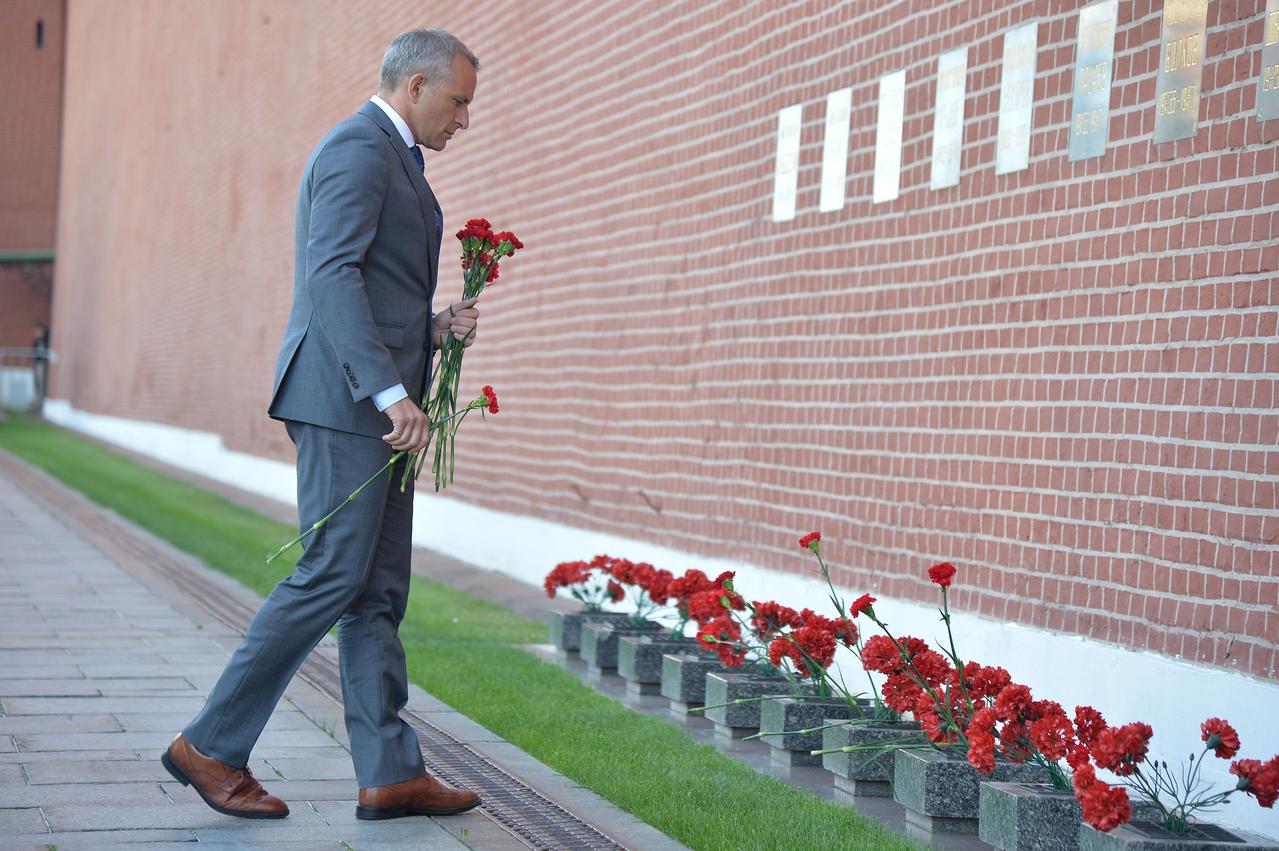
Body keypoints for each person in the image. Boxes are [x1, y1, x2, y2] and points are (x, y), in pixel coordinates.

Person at [162, 29, 484, 821]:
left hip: (375, 403)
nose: (464, 119)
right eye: (458, 101)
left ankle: (390, 771)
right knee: (333, 573)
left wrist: (431, 330)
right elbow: (330, 272)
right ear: (415, 86)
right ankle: (210, 745)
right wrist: (388, 391)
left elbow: (372, 286)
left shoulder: (394, 155)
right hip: (347, 404)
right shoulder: (358, 146)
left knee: (376, 589)